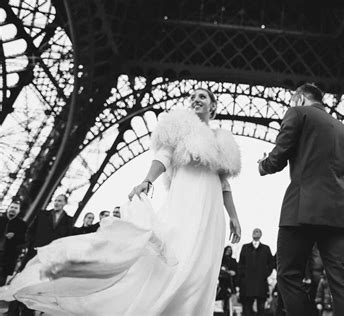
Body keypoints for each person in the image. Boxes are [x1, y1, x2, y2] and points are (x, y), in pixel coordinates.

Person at [0, 88, 242, 316]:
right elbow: (164, 156)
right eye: (193, 96)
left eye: (203, 96)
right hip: (186, 202)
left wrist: (233, 216)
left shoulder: (221, 139)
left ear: (213, 106)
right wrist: (147, 180)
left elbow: (224, 184)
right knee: (180, 258)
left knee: (202, 268)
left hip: (211, 211)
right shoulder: (180, 126)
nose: (196, 99)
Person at [258, 83, 344, 316]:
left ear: (299, 99)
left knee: (289, 276)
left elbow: (279, 156)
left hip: (301, 209)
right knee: (343, 282)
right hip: (341, 215)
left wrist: (263, 166)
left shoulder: (297, 113)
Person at [238, 228, 273, 316]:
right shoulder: (245, 247)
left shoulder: (266, 248)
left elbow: (271, 263)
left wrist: (265, 274)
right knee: (247, 308)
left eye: (257, 231)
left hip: (261, 283)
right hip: (247, 283)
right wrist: (243, 275)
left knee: (261, 307)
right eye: (254, 231)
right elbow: (240, 263)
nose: (255, 232)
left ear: (261, 235)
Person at [0, 200, 26, 285]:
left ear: (19, 211)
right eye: (11, 207)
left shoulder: (22, 225)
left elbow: (24, 239)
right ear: (8, 208)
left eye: (16, 208)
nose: (13, 209)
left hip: (7, 257)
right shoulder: (1, 219)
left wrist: (14, 236)